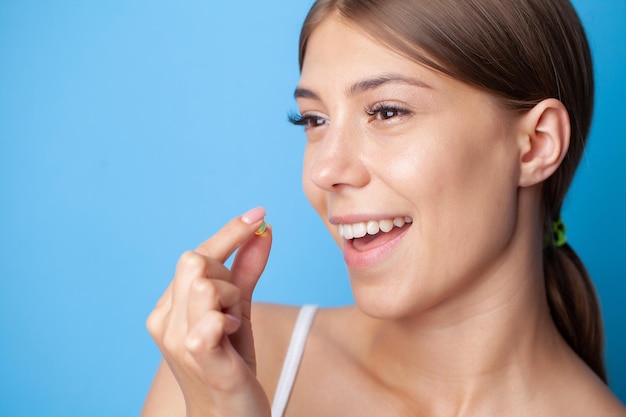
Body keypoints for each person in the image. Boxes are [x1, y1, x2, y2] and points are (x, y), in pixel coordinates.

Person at [141, 0, 626, 415]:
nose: (324, 170)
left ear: (536, 145)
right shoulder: (222, 363)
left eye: (387, 111)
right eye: (313, 119)